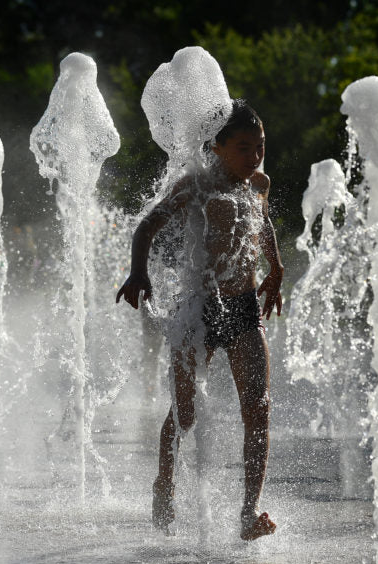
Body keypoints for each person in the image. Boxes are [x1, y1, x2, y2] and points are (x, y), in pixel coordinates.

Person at [115, 100, 283, 541]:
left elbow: (263, 226)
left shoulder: (259, 183)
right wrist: (138, 271)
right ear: (218, 146)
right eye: (244, 147)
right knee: (185, 413)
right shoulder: (196, 185)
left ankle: (249, 513)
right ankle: (164, 485)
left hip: (244, 308)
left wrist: (277, 267)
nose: (255, 156)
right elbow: (145, 227)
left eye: (260, 146)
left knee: (259, 410)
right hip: (199, 311)